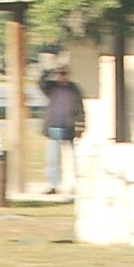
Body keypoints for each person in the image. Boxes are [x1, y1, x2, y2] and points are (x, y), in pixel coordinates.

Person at [40, 63, 86, 196]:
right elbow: (40, 82)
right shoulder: (52, 88)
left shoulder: (74, 89)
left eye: (63, 74)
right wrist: (49, 71)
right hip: (53, 127)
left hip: (69, 128)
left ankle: (76, 185)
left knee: (72, 159)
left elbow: (80, 110)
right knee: (53, 160)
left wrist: (80, 127)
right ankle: (53, 185)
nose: (61, 76)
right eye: (59, 74)